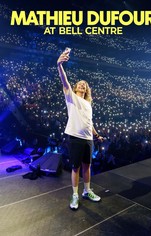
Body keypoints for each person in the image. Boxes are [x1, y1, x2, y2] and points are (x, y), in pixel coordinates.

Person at [57, 49, 103, 210]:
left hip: (88, 139)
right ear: (76, 87)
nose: (83, 84)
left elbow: (89, 122)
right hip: (75, 137)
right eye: (80, 83)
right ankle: (75, 194)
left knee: (87, 166)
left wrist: (97, 135)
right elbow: (64, 81)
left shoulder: (88, 104)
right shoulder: (71, 96)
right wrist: (59, 65)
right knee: (76, 167)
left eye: (85, 84)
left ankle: (87, 191)